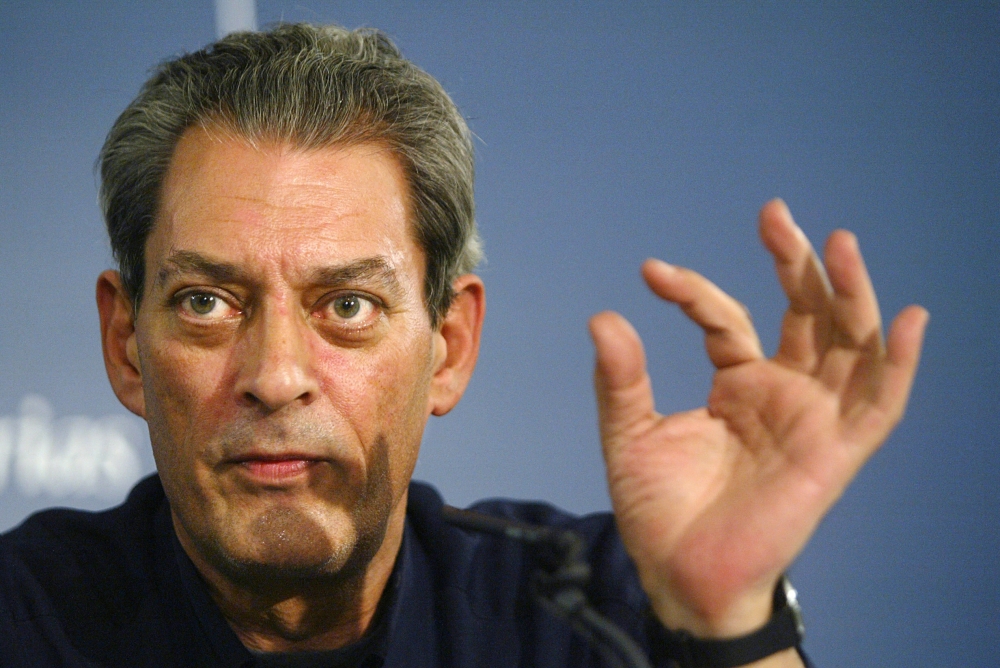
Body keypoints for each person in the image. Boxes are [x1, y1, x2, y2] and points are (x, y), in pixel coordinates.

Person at [0, 23, 927, 668]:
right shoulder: (21, 616)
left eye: (349, 306)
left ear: (448, 345)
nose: (276, 376)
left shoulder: (596, 611)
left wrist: (729, 624)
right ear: (126, 344)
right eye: (207, 301)